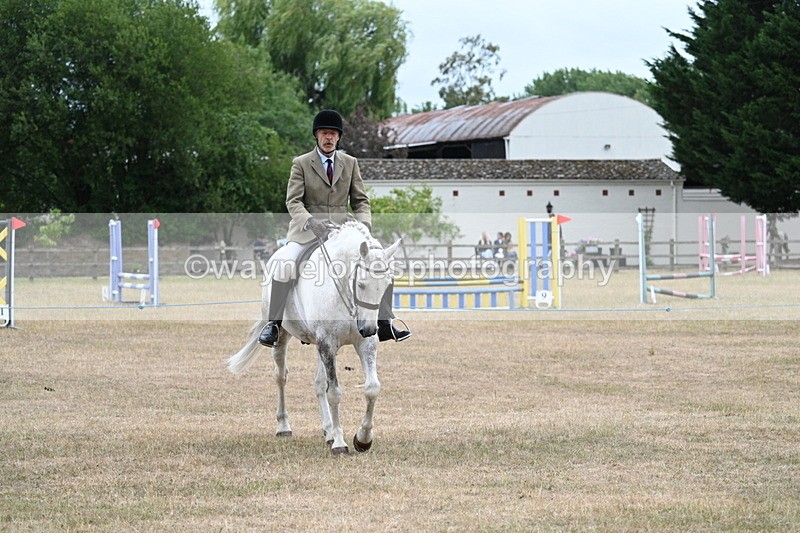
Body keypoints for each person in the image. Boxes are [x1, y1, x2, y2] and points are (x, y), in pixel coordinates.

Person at [258, 109, 411, 347]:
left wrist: (364, 227)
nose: (328, 138)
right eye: (323, 133)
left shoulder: (350, 163)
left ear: (338, 137)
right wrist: (310, 221)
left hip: (343, 233)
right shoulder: (300, 164)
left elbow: (361, 201)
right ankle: (274, 325)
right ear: (316, 136)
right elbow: (293, 202)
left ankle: (385, 322)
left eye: (332, 134)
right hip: (306, 232)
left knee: (379, 263)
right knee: (286, 263)